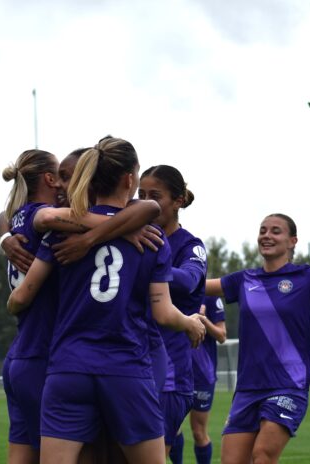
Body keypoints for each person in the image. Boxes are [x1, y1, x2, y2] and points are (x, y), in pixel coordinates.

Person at [10, 137, 206, 464]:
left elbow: (23, 295)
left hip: (67, 368)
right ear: (130, 180)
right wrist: (189, 322)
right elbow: (163, 312)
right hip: (126, 367)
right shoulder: (151, 237)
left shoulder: (60, 230)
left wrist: (7, 243)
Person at [205, 213, 310, 464]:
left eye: (276, 231)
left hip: (287, 385)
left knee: (263, 455)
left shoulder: (307, 278)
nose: (267, 235)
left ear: (292, 241)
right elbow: (195, 285)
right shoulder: (244, 280)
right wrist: (158, 271)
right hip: (247, 388)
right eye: (263, 230)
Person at [138, 165, 208, 459]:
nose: (147, 202)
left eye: (155, 195)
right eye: (141, 195)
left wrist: (152, 266)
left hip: (170, 373)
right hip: (129, 364)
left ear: (178, 200)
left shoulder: (190, 246)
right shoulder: (132, 236)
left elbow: (190, 280)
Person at [170, 295, 227, 464]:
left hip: (202, 375)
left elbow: (222, 335)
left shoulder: (211, 298)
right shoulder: (171, 291)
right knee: (172, 428)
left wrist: (203, 320)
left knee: (199, 431)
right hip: (176, 371)